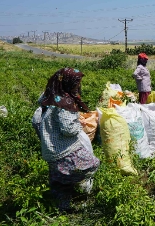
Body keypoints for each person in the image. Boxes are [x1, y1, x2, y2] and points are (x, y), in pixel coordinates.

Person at [32, 68, 100, 212]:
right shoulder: (65, 102)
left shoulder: (50, 94)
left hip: (50, 149)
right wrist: (78, 125)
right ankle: (77, 184)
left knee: (59, 182)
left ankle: (62, 208)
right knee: (92, 164)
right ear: (69, 83)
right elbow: (68, 129)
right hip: (64, 149)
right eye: (76, 84)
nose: (78, 87)